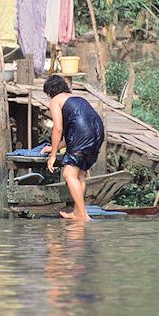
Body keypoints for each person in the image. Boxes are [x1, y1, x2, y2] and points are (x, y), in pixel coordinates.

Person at [44, 74, 105, 221]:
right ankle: (77, 211)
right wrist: (54, 148)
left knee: (68, 174)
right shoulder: (76, 99)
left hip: (83, 134)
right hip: (98, 132)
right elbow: (74, 135)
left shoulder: (56, 100)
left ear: (50, 91)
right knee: (79, 174)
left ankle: (83, 215)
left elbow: (58, 129)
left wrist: (52, 156)